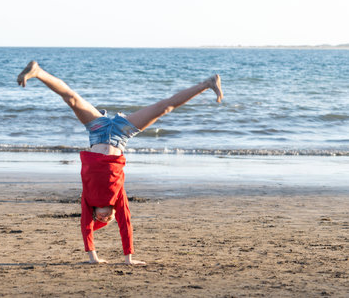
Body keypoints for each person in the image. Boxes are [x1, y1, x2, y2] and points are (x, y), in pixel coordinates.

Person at [17, 61, 223, 265]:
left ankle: (38, 72)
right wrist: (128, 259)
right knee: (164, 107)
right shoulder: (118, 198)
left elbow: (86, 228)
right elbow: (126, 224)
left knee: (71, 98)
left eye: (101, 219)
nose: (105, 218)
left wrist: (93, 257)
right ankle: (207, 83)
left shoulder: (88, 200)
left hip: (96, 131)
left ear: (94, 214)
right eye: (109, 220)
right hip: (121, 135)